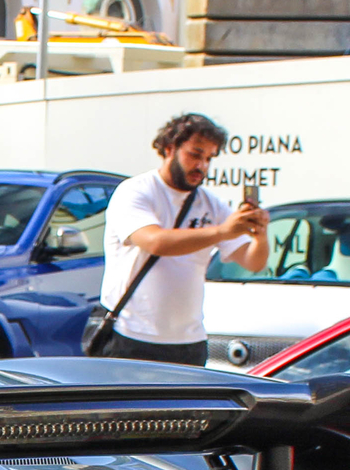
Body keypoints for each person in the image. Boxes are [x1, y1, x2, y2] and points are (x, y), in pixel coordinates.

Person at [98, 112, 268, 365]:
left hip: (189, 343)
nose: (202, 166)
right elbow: (155, 241)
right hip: (132, 336)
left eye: (209, 158)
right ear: (169, 148)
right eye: (195, 154)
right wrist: (222, 231)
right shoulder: (136, 191)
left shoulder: (210, 203)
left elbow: (253, 262)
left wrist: (260, 234)